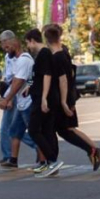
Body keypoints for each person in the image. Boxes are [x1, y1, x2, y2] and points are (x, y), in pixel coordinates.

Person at [46, 24, 100, 173]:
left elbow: (64, 80)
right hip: (68, 97)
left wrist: (64, 102)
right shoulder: (64, 53)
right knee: (67, 130)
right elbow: (71, 76)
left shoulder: (57, 56)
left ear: (48, 39)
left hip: (64, 99)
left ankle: (95, 152)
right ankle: (96, 152)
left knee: (65, 130)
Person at [0, 33, 47, 170]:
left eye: (6, 46)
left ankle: (44, 162)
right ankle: (13, 160)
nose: (5, 49)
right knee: (14, 131)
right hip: (22, 102)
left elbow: (18, 82)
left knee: (34, 132)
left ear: (14, 43)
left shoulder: (24, 60)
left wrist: (7, 99)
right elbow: (19, 80)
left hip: (28, 103)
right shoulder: (19, 60)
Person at [23, 28, 63, 178]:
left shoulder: (44, 54)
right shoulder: (40, 55)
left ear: (33, 40)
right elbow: (36, 75)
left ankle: (52, 160)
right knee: (47, 131)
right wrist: (29, 86)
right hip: (39, 96)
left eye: (28, 43)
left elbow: (47, 76)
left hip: (42, 99)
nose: (28, 47)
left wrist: (44, 98)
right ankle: (52, 163)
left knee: (33, 130)